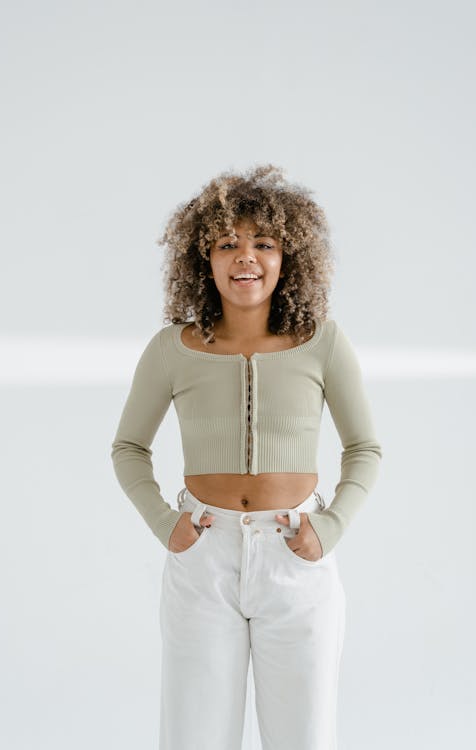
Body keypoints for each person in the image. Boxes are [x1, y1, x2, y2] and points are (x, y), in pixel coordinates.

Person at [110, 163, 382, 750]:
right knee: (194, 736)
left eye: (264, 242)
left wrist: (328, 528)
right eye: (227, 243)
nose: (246, 258)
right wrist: (166, 524)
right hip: (204, 555)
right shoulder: (172, 350)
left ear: (289, 256)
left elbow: (365, 449)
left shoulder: (324, 342)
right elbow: (129, 448)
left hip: (296, 557)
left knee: (304, 737)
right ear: (202, 258)